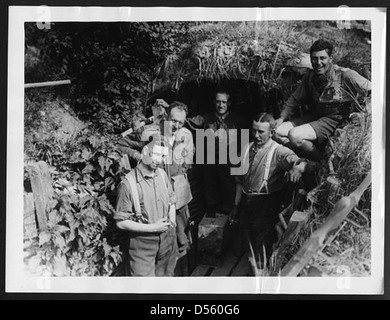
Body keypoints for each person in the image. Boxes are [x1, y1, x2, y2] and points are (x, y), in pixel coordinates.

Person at [117, 101, 195, 262]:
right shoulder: (149, 132)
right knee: (162, 233)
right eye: (173, 120)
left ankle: (183, 269)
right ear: (166, 116)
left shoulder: (186, 134)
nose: (176, 125)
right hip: (156, 191)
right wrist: (140, 157)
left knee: (183, 234)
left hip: (179, 193)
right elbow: (121, 144)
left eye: (180, 122)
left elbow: (188, 160)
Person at [230, 112, 307, 267]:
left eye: (261, 132)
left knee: (261, 244)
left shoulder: (278, 152)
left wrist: (299, 167)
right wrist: (236, 206)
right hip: (246, 200)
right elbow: (239, 181)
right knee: (243, 237)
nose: (256, 135)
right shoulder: (246, 148)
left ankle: (258, 273)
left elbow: (301, 161)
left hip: (266, 204)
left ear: (271, 133)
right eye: (254, 131)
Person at [274, 39, 371, 161]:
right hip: (316, 116)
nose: (318, 63)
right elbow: (295, 98)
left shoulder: (345, 75)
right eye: (314, 58)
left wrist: (364, 114)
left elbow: (372, 90)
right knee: (276, 131)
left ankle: (319, 161)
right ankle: (305, 154)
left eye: (322, 58)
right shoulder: (310, 76)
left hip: (335, 120)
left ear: (331, 58)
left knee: (294, 135)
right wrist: (282, 117)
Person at [114, 138, 177, 276]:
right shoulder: (127, 184)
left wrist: (172, 222)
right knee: (144, 288)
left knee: (165, 284)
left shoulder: (162, 174)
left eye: (163, 156)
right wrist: (153, 228)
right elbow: (121, 222)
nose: (159, 160)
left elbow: (172, 200)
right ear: (146, 151)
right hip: (143, 244)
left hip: (167, 240)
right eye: (156, 154)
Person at [188, 89, 248, 215]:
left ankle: (229, 220)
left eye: (224, 102)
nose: (221, 105)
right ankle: (211, 223)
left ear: (229, 103)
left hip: (229, 163)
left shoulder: (237, 121)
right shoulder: (205, 118)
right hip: (210, 163)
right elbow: (188, 122)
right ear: (214, 102)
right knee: (211, 193)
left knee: (229, 192)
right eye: (218, 102)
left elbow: (245, 143)